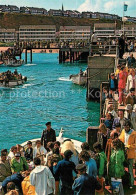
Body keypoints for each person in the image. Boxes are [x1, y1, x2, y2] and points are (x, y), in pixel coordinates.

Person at [119, 120, 136, 188]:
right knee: (122, 168)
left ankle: (131, 184)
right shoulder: (123, 131)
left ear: (129, 127)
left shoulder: (134, 133)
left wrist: (128, 147)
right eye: (125, 127)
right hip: (124, 153)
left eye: (127, 127)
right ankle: (124, 183)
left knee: (130, 170)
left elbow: (135, 144)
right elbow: (121, 139)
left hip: (130, 154)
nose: (126, 128)